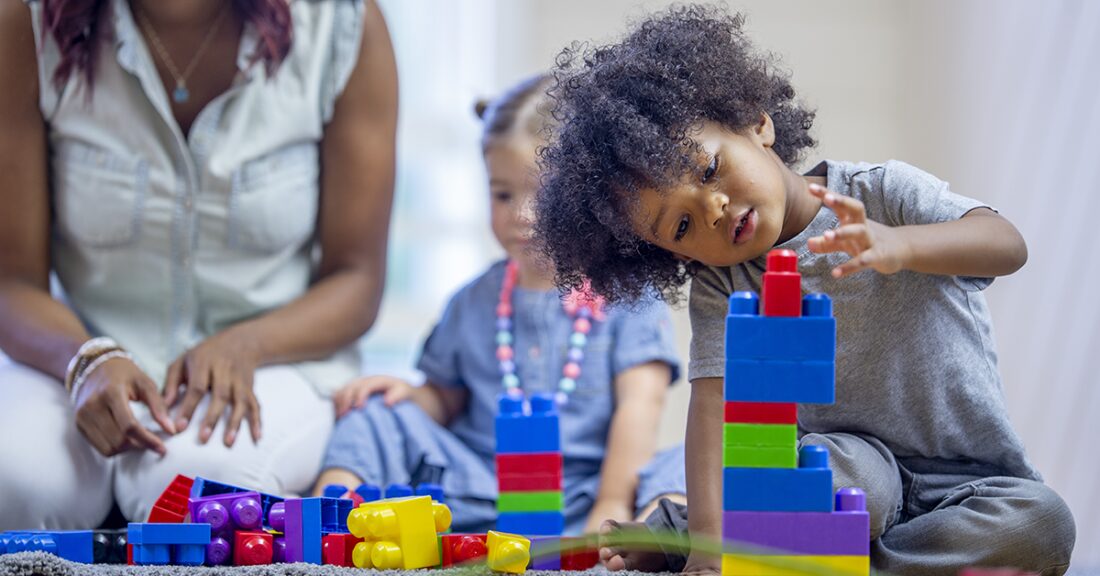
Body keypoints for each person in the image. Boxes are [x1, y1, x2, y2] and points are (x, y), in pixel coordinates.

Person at [532, 5, 1075, 575]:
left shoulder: (882, 194)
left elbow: (1006, 243)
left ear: (755, 122)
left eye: (710, 169)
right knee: (832, 479)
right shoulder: (725, 282)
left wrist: (901, 244)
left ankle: (790, 554)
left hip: (968, 481)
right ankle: (732, 540)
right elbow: (712, 408)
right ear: (672, 255)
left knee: (1040, 525)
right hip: (841, 471)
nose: (712, 208)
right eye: (683, 225)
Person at [0, 0, 396, 529]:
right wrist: (86, 360)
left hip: (274, 361)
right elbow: (11, 281)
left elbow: (357, 280)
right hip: (76, 356)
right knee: (20, 481)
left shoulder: (342, 25)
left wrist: (248, 343)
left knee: (199, 488)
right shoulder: (25, 24)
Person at [316, 75, 686, 535]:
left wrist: (610, 502)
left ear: (594, 193)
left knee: (695, 457)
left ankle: (648, 535)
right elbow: (445, 397)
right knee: (375, 417)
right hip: (479, 489)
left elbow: (640, 407)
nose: (522, 215)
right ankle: (326, 523)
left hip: (587, 494)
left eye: (543, 194)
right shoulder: (474, 300)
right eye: (503, 194)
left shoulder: (629, 295)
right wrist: (410, 398)